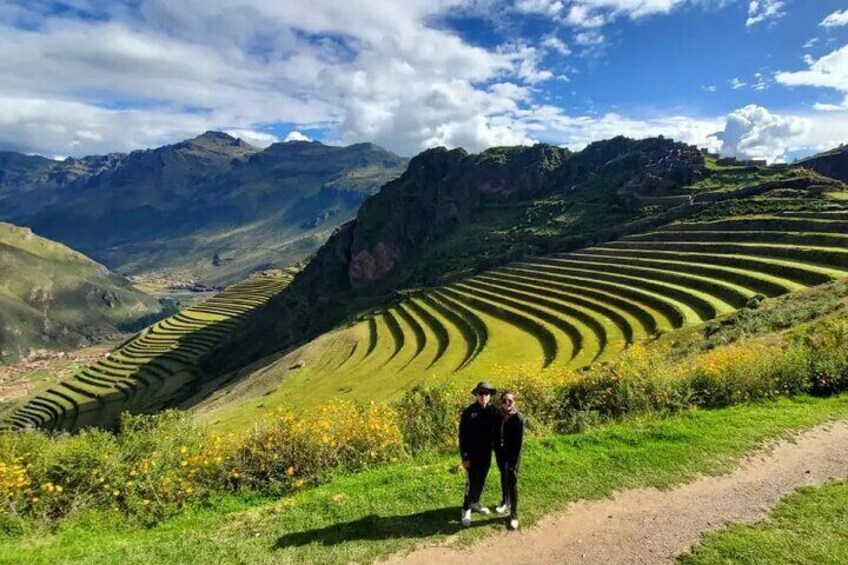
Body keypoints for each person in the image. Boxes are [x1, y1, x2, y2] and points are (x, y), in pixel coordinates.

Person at [459, 381, 498, 527]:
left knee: (481, 479)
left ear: (490, 396)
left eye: (486, 393)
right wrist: (465, 457)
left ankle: (475, 502)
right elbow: (462, 436)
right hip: (471, 454)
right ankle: (466, 509)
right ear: (476, 395)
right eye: (481, 393)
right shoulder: (469, 412)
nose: (483, 396)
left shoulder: (493, 411)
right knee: (471, 482)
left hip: (486, 453)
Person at [494, 390, 525, 530]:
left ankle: (513, 514)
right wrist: (495, 447)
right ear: (500, 402)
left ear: (514, 402)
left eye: (510, 401)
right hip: (500, 453)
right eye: (504, 401)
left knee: (512, 481)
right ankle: (504, 501)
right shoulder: (498, 414)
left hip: (513, 455)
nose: (507, 403)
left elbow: (519, 444)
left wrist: (514, 463)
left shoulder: (519, 419)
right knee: (503, 475)